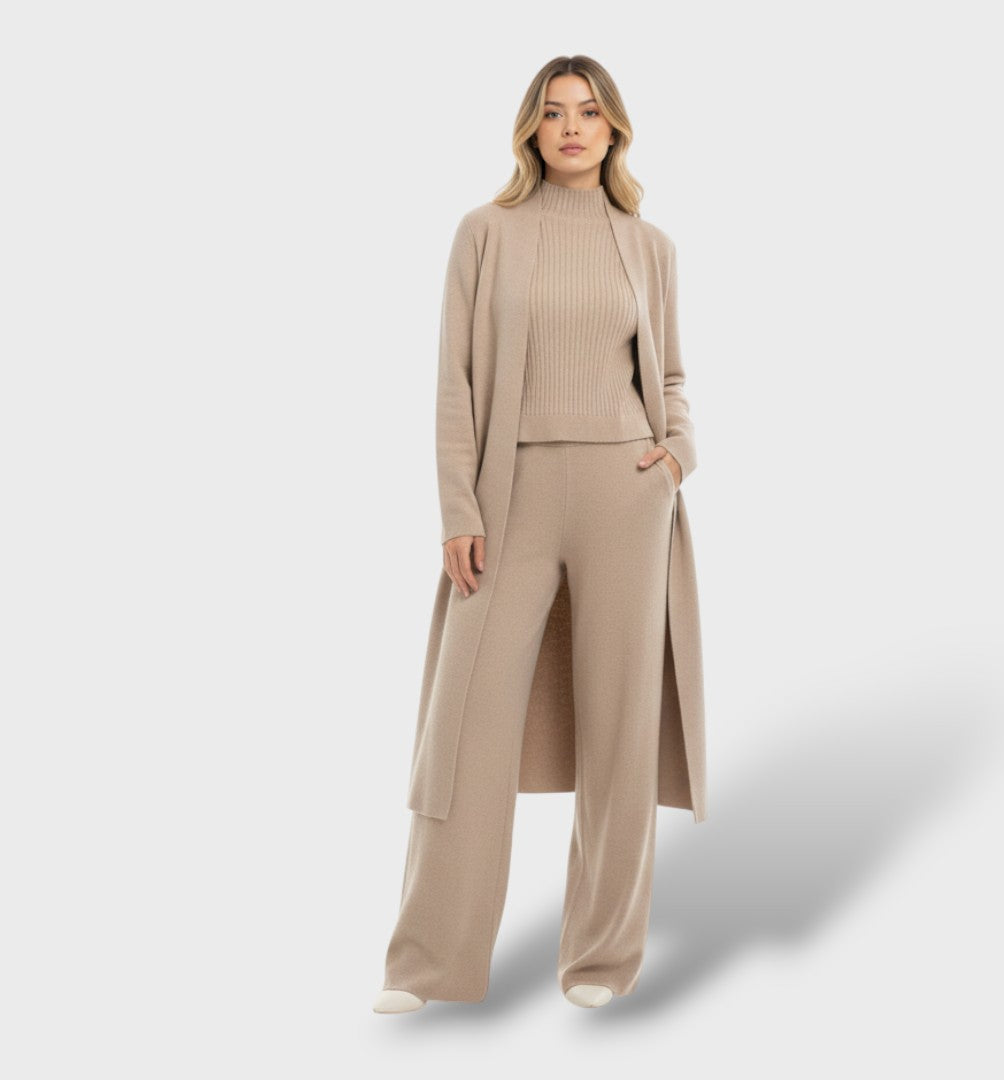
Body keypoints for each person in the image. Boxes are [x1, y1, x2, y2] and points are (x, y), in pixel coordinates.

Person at [373, 55, 706, 1013]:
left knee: (620, 728)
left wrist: (678, 453)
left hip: (625, 494)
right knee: (464, 732)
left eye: (588, 113)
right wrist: (458, 510)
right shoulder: (486, 232)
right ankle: (426, 965)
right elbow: (454, 382)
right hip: (508, 493)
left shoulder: (649, 246)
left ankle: (600, 963)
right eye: (554, 113)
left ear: (614, 130)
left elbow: (670, 377)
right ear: (530, 129)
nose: (570, 127)